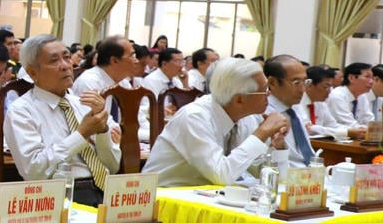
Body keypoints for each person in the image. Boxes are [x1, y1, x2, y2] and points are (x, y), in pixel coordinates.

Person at [4, 35, 120, 206]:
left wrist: (102, 131)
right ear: (32, 72)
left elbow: (113, 165)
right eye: (54, 61)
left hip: (109, 190)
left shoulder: (84, 104)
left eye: (66, 57)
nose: (66, 66)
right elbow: (34, 171)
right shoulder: (22, 111)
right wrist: (82, 134)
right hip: (61, 196)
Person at [143, 57, 290, 187]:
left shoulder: (246, 117)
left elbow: (260, 173)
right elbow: (222, 175)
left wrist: (279, 149)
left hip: (206, 197)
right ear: (239, 99)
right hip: (163, 199)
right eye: (264, 90)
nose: (269, 94)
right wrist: (261, 133)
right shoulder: (195, 117)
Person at [263, 55, 319, 168]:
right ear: (272, 82)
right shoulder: (262, 112)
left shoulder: (295, 107)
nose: (303, 89)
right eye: (296, 82)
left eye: (305, 82)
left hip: (311, 174)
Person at [326, 62, 375, 127]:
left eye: (372, 78)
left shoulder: (361, 96)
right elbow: (349, 124)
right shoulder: (337, 96)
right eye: (367, 77)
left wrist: (375, 129)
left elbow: (369, 120)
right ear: (351, 78)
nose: (371, 82)